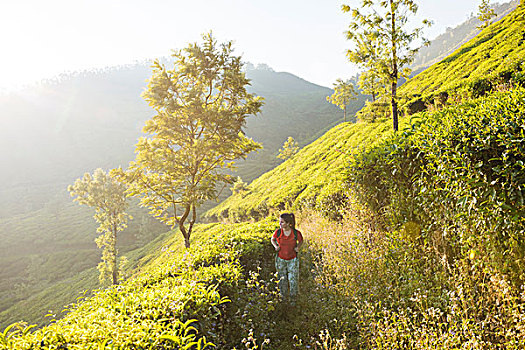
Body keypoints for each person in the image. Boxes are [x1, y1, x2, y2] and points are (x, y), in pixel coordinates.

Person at [271, 213, 304, 306]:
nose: (280, 224)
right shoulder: (278, 232)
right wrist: (276, 246)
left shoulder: (296, 233)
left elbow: (301, 241)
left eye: (282, 222)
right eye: (279, 222)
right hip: (280, 259)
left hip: (293, 259)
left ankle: (293, 300)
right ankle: (283, 298)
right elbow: (272, 239)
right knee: (282, 279)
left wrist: (298, 247)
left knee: (293, 279)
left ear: (288, 223)